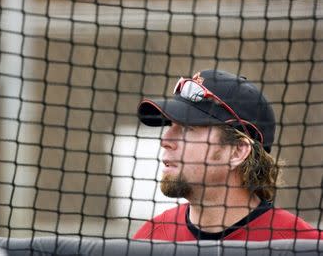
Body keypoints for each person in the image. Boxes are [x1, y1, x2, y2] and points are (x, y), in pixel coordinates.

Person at [133, 69, 322, 241]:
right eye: (170, 126)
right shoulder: (150, 238)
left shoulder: (303, 244)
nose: (165, 140)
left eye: (188, 129)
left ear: (238, 151)